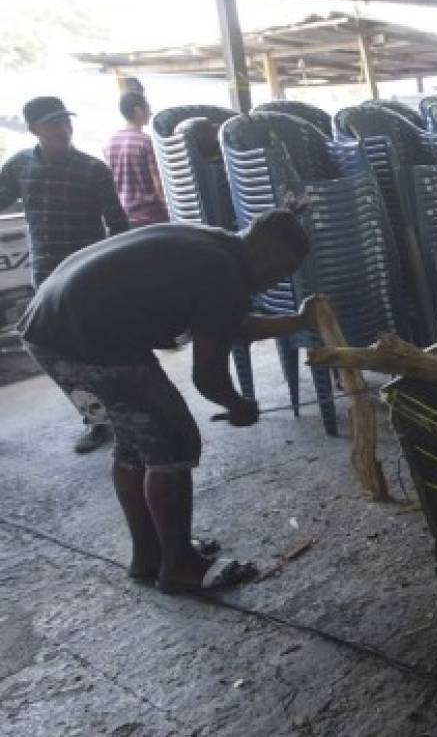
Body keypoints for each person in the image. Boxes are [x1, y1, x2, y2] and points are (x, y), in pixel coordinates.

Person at [18, 208, 318, 593]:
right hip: (85, 337)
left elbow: (228, 324)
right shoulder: (223, 273)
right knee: (174, 441)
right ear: (268, 256)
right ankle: (180, 566)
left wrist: (297, 321)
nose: (274, 283)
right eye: (280, 274)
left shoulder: (217, 243)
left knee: (136, 442)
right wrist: (238, 404)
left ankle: (150, 555)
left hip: (50, 324)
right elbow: (207, 377)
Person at [0, 96, 130, 453]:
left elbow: (119, 226)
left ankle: (124, 414)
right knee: (63, 354)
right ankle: (97, 419)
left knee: (100, 347)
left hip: (89, 277)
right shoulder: (19, 167)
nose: (63, 129)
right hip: (46, 279)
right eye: (52, 123)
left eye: (65, 121)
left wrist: (119, 275)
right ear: (33, 130)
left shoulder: (93, 169)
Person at [104, 91, 169, 227]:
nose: (150, 112)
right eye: (148, 108)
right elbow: (158, 183)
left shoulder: (110, 143)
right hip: (153, 217)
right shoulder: (145, 141)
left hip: (127, 217)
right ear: (138, 110)